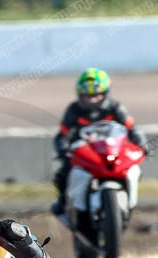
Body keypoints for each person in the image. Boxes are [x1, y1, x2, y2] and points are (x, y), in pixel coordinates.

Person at [51, 68, 149, 215]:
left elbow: (132, 129)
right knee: (63, 173)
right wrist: (64, 151)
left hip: (111, 149)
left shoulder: (115, 107)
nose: (92, 99)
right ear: (80, 95)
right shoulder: (73, 110)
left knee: (132, 168)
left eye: (96, 95)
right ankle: (63, 201)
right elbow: (63, 135)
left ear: (105, 93)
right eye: (87, 96)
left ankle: (128, 198)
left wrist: (142, 144)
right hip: (85, 152)